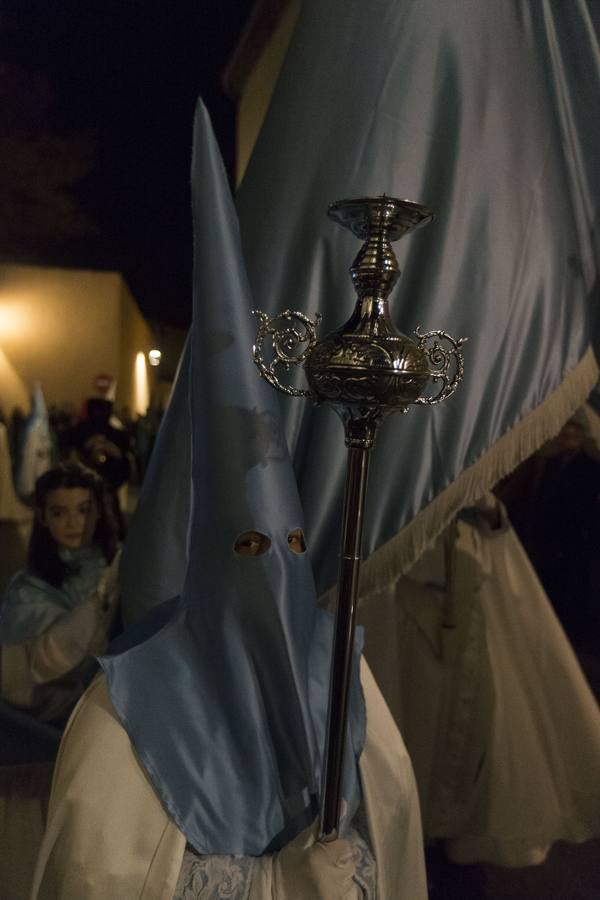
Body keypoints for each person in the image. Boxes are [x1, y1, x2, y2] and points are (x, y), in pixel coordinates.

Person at [30, 102, 428, 900]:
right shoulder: (130, 704)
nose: (272, 575)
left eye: (287, 546)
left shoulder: (339, 669)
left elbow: (389, 837)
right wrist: (276, 883)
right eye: (245, 551)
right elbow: (98, 872)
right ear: (203, 561)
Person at [0, 461, 121, 725]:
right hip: (55, 716)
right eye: (59, 513)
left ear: (99, 512)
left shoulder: (118, 566)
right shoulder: (27, 588)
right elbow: (35, 667)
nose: (74, 523)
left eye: (84, 510)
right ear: (42, 517)